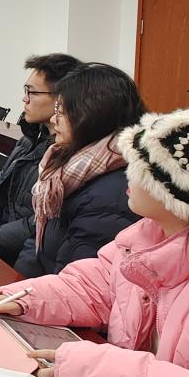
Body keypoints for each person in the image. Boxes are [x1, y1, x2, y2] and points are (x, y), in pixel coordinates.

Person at [0, 98, 189, 377]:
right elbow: (96, 286)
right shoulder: (145, 238)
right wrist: (26, 300)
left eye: (141, 168)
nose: (127, 175)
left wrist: (93, 371)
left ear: (178, 194)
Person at [13, 63, 144, 278]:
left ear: (92, 116)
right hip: (37, 289)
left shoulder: (111, 193)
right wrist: (12, 285)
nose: (53, 119)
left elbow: (75, 281)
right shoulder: (65, 167)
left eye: (61, 112)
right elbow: (37, 246)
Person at [0, 54, 82, 266]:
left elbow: (41, 222)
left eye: (32, 92)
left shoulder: (71, 155)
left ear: (61, 99)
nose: (25, 99)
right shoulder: (30, 139)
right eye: (25, 91)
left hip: (23, 258)